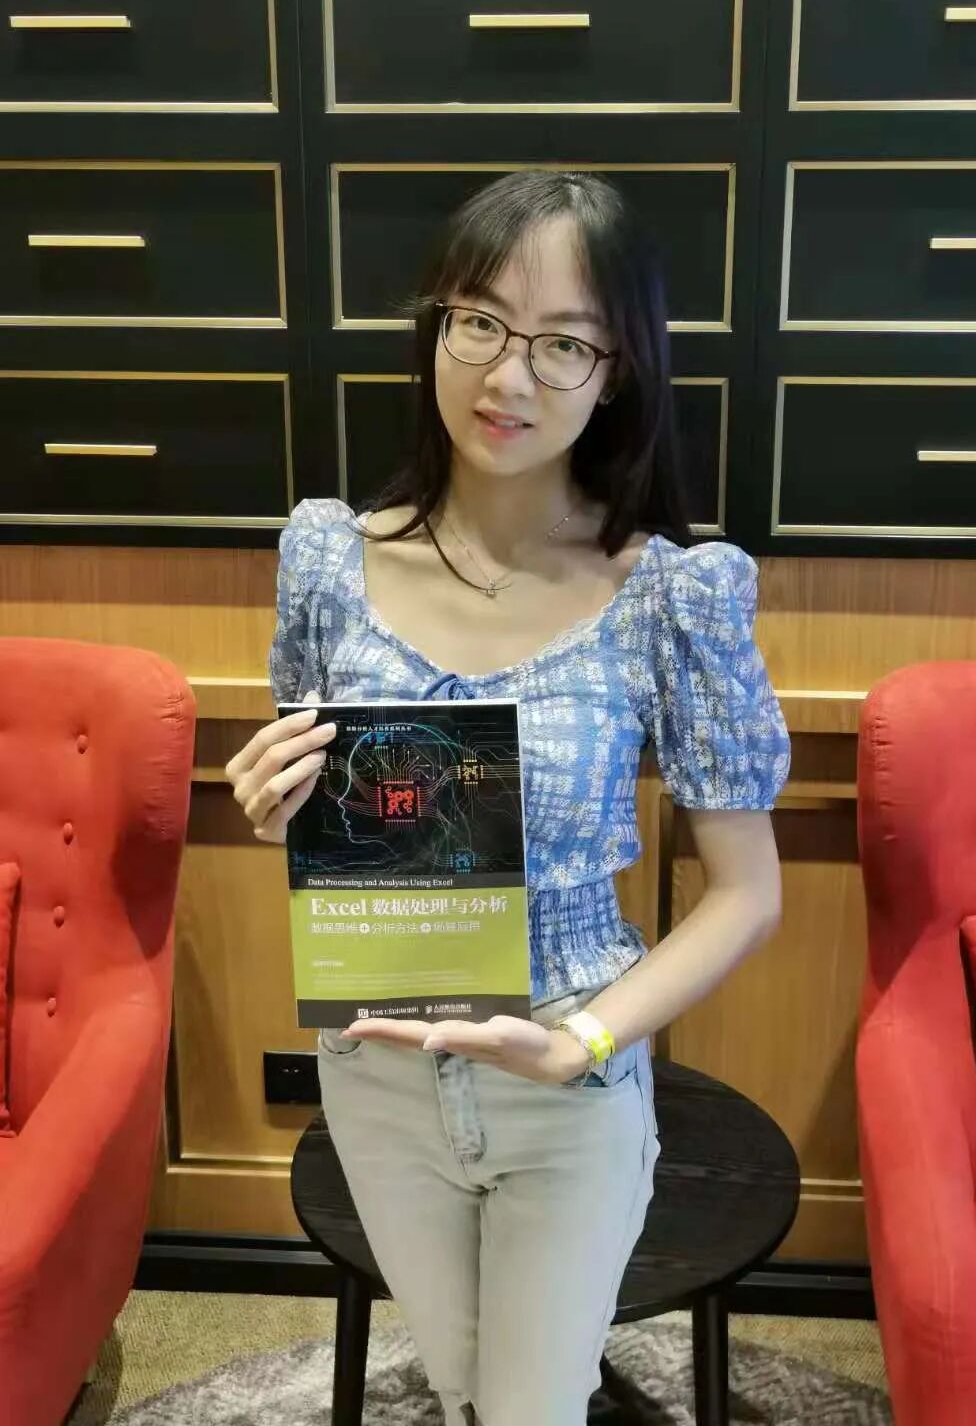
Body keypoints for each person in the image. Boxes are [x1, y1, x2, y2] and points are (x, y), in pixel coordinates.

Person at [226, 169, 790, 1426]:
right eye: (479, 321)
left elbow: (748, 895)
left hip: (564, 1070)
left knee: (535, 1407)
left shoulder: (670, 595)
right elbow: (334, 810)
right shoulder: (326, 559)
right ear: (436, 325)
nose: (508, 375)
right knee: (461, 1387)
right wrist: (275, 805)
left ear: (617, 372)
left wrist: (584, 1043)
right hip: (375, 1063)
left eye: (562, 343)